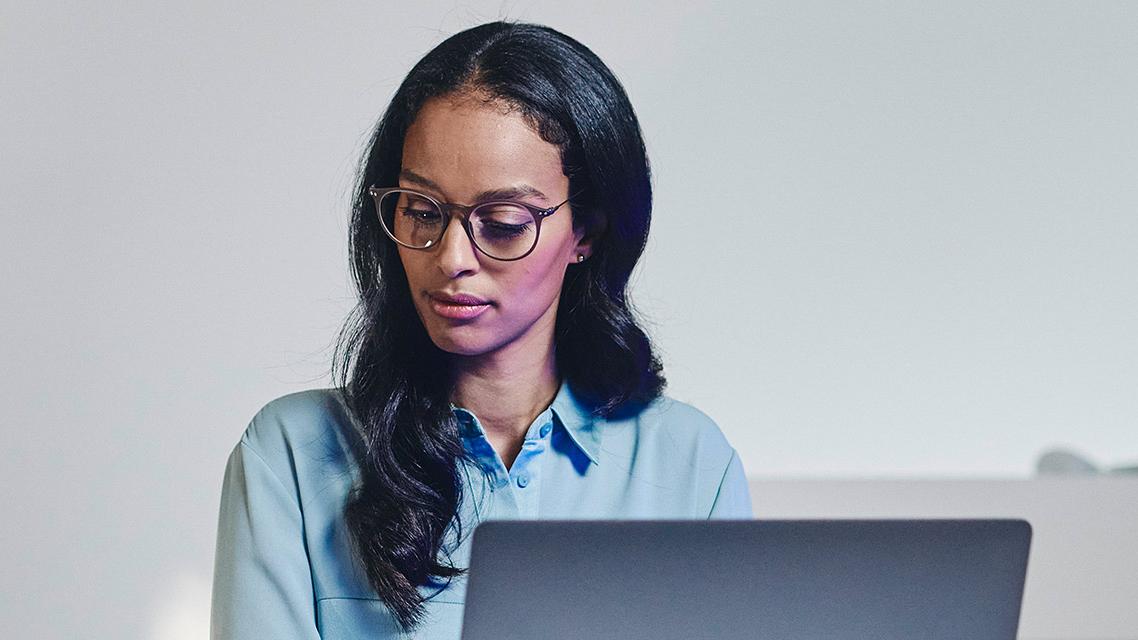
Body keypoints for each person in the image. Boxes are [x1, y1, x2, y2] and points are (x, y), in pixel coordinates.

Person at [210, 21, 752, 640]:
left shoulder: (689, 464)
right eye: (421, 212)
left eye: (501, 222)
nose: (450, 258)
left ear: (587, 233)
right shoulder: (293, 456)